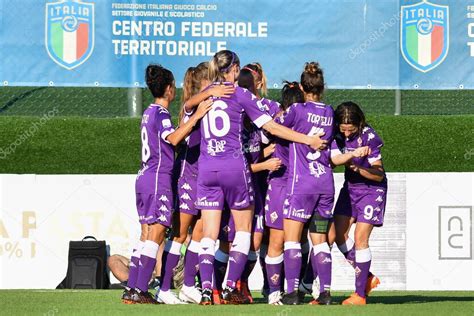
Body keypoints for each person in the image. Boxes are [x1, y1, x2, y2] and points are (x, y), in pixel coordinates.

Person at [197, 50, 327, 305]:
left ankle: (206, 290)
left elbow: (190, 106)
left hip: (206, 167)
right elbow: (272, 127)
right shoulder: (240, 94)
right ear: (234, 69)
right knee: (244, 231)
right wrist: (307, 138)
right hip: (233, 167)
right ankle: (231, 287)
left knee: (209, 234)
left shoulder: (207, 91)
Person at [121, 64, 211, 304]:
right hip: (158, 178)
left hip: (143, 177)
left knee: (147, 234)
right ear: (169, 89)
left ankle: (131, 288)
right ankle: (141, 289)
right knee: (157, 235)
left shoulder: (148, 112)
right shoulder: (160, 114)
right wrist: (197, 117)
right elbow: (172, 138)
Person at [157, 63, 234, 304]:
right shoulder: (195, 107)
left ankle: (189, 285)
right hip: (188, 174)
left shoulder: (209, 103)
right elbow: (184, 134)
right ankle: (164, 287)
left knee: (200, 231)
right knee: (180, 234)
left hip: (206, 176)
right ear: (205, 84)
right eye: (212, 83)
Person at [274, 62, 335, 305]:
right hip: (325, 182)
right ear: (323, 87)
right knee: (319, 239)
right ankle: (326, 293)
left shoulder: (297, 110)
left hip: (302, 183)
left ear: (301, 87)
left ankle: (292, 292)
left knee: (292, 238)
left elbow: (274, 128)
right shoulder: (330, 112)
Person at [331, 101, 386, 305]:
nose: (346, 134)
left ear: (359, 123)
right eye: (342, 129)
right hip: (350, 188)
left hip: (371, 190)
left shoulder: (370, 137)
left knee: (360, 237)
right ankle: (368, 277)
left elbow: (379, 175)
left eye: (350, 130)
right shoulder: (336, 135)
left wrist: (359, 169)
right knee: (336, 235)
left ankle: (360, 295)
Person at [264, 81, 305, 305]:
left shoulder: (285, 118)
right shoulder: (280, 120)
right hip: (284, 183)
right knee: (284, 240)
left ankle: (287, 290)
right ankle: (277, 291)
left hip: (295, 184)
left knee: (286, 242)